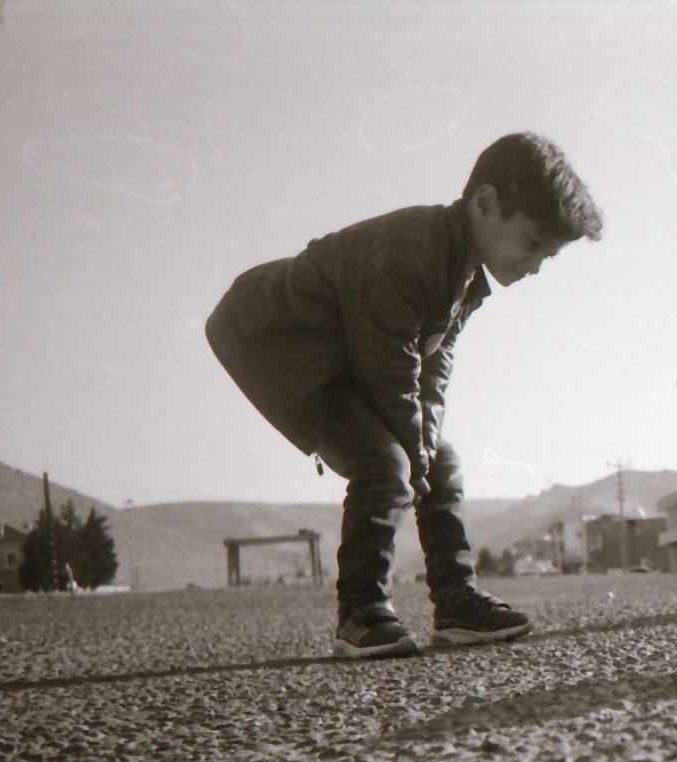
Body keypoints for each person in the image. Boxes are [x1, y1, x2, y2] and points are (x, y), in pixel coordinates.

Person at [206, 133, 603, 657]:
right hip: (270, 334)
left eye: (547, 257)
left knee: (438, 457)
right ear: (485, 204)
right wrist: (413, 452)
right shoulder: (411, 250)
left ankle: (457, 600)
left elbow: (432, 372)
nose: (534, 267)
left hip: (342, 347)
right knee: (384, 461)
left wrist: (427, 444)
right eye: (533, 244)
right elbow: (387, 369)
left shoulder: (465, 276)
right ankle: (361, 613)